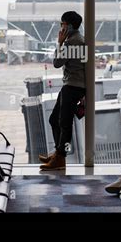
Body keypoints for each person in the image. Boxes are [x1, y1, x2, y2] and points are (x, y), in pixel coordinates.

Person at [39, 11, 86, 171]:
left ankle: (60, 158)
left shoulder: (72, 42)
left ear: (70, 26)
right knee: (55, 120)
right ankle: (58, 155)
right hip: (73, 86)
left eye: (62, 24)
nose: (61, 27)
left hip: (72, 87)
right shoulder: (78, 39)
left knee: (64, 123)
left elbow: (57, 63)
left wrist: (59, 43)